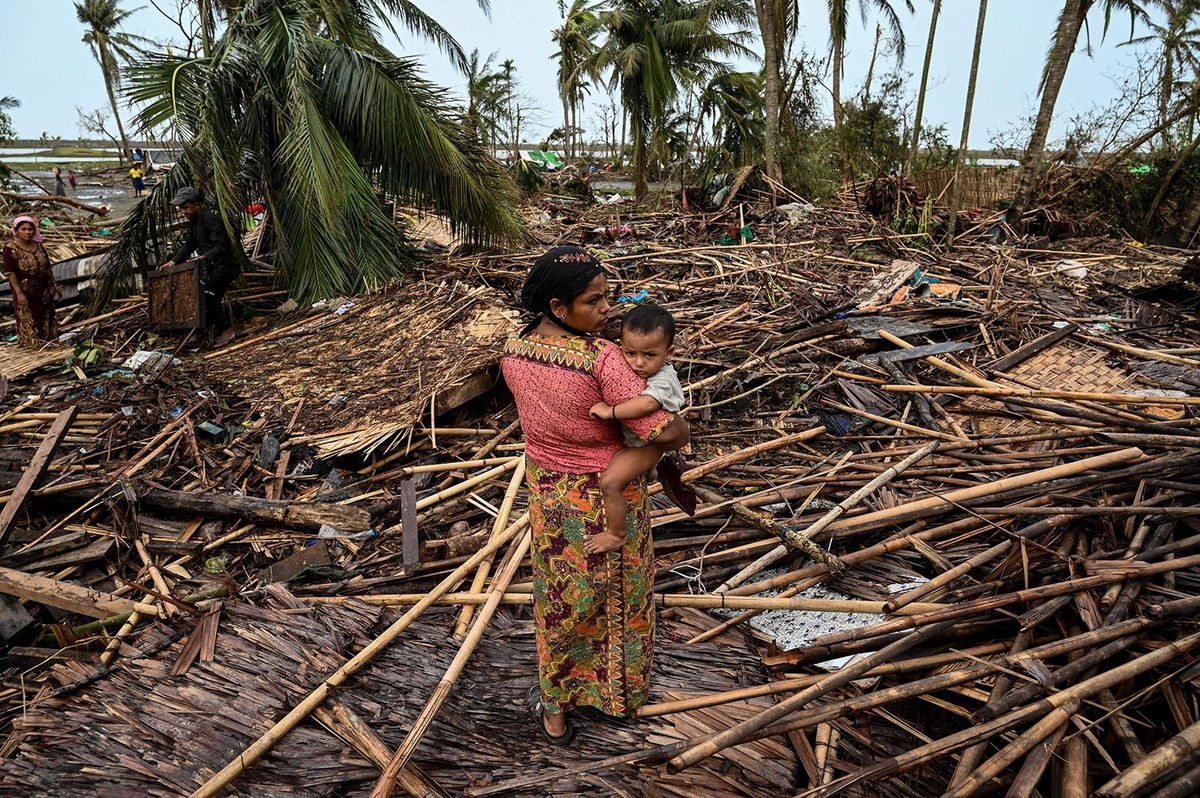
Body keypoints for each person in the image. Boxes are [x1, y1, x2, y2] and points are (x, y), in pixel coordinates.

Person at [500, 245, 690, 745]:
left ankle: (555, 705)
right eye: (595, 301)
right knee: (620, 597)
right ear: (559, 309)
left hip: (547, 495)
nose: (608, 309)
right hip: (607, 496)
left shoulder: (513, 353)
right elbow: (663, 431)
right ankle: (617, 695)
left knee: (559, 600)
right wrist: (680, 429)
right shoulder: (602, 359)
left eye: (608, 297)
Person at [586, 303, 687, 553]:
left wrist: (610, 412)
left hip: (650, 445)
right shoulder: (636, 368)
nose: (638, 363)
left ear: (669, 352)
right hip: (638, 441)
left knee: (609, 482)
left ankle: (616, 533)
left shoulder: (663, 379)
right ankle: (650, 471)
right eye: (630, 353)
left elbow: (647, 404)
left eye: (649, 355)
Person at [158, 187, 240, 345]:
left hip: (226, 266)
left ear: (197, 205)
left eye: (186, 208)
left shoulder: (210, 219)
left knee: (210, 296)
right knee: (205, 296)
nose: (184, 212)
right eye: (181, 209)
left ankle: (227, 331)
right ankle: (206, 331)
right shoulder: (194, 222)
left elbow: (222, 246)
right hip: (214, 267)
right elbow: (189, 245)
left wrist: (204, 257)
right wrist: (173, 261)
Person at [2, 217, 59, 347]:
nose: (27, 232)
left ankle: (49, 346)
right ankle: (31, 348)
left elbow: (47, 267)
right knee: (29, 320)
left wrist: (54, 285)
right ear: (16, 231)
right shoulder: (10, 249)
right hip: (25, 292)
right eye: (23, 229)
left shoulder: (38, 246)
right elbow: (11, 273)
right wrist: (19, 293)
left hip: (43, 291)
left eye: (30, 229)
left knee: (47, 317)